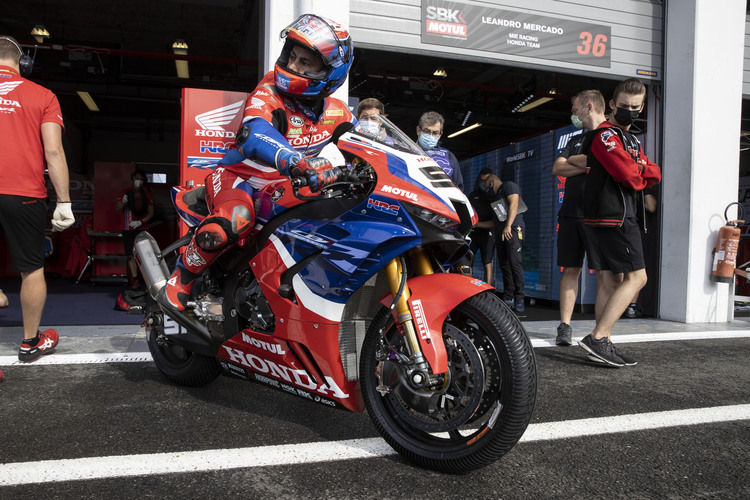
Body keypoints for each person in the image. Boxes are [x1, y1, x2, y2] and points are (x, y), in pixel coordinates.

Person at [160, 14, 355, 312]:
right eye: (292, 56)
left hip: (285, 185)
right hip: (238, 178)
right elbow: (254, 133)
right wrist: (296, 160)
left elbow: (365, 144)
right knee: (235, 218)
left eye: (306, 63)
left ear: (331, 72)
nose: (293, 66)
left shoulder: (338, 112)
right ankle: (181, 280)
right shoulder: (269, 92)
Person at [0, 36, 75, 362]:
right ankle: (30, 343)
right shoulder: (43, 95)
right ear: (23, 63)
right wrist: (64, 201)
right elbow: (53, 151)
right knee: (30, 269)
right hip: (23, 193)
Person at [579, 78, 661, 367]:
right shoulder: (606, 136)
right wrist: (639, 170)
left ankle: (602, 343)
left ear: (642, 107)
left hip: (617, 215)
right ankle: (598, 338)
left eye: (635, 107)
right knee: (638, 278)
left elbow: (655, 172)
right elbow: (627, 174)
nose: (630, 111)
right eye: (624, 106)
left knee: (613, 280)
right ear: (612, 104)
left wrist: (638, 169)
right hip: (614, 217)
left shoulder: (629, 139)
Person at [553, 90, 617, 346]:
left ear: (588, 106)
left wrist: (578, 163)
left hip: (598, 216)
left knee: (604, 273)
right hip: (569, 214)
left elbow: (608, 163)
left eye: (575, 108)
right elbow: (559, 168)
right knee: (570, 269)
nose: (573, 114)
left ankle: (600, 334)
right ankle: (565, 327)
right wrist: (589, 162)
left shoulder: (610, 136)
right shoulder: (574, 139)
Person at [478, 167, 525, 312]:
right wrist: (476, 224)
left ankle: (519, 299)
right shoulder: (495, 197)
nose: (485, 189)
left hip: (513, 230)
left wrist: (508, 226)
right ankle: (508, 297)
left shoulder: (508, 186)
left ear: (491, 182)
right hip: (501, 233)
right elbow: (495, 221)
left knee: (514, 263)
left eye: (486, 185)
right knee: (504, 265)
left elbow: (514, 203)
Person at [115, 168, 154, 289]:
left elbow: (151, 212)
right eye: (137, 179)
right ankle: (135, 280)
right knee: (130, 254)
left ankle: (149, 281)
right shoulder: (125, 192)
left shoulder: (146, 193)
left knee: (145, 255)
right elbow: (117, 208)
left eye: (141, 180)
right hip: (127, 228)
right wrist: (124, 201)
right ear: (133, 178)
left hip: (142, 227)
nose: (139, 182)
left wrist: (140, 222)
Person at [416, 112, 464, 190]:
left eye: (435, 133)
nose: (430, 135)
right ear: (418, 130)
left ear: (440, 135)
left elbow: (459, 187)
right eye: (427, 131)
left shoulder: (449, 156)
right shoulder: (405, 151)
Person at [468, 174, 496, 286]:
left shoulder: (494, 196)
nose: (483, 183)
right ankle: (467, 289)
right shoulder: (473, 195)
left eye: (485, 180)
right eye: (481, 180)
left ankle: (487, 292)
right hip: (473, 233)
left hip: (487, 234)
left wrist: (478, 224)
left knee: (487, 262)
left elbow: (495, 222)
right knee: (468, 260)